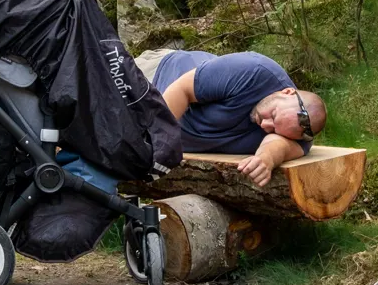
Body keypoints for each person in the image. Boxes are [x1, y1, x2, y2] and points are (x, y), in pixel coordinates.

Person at [136, 49, 327, 188]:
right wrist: (154, 142)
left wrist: (265, 159)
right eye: (274, 115)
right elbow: (182, 90)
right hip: (155, 77)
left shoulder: (295, 131)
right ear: (287, 92)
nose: (265, 125)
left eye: (275, 129)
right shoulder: (253, 71)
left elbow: (281, 145)